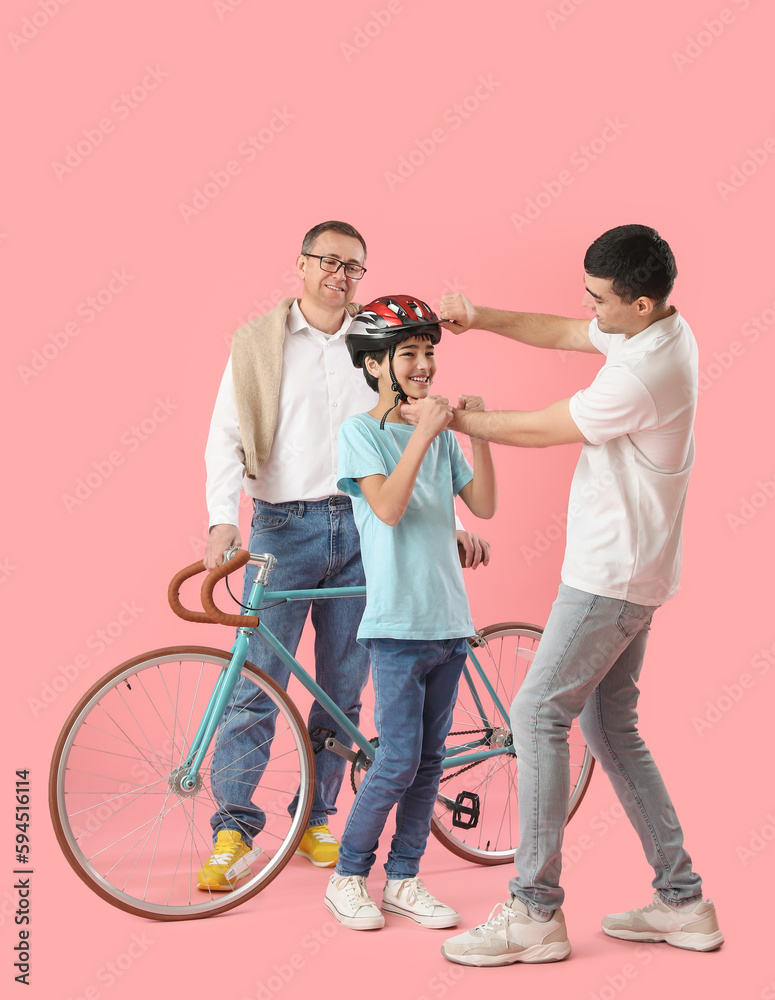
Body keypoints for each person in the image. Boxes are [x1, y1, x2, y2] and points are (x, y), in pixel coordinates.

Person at [432, 225, 724, 965]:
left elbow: (540, 428)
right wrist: (484, 316)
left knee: (535, 713)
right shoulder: (654, 327)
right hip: (633, 571)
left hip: (609, 577)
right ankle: (682, 901)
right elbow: (570, 331)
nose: (586, 309)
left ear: (641, 300)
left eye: (600, 298)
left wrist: (451, 420)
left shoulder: (641, 376)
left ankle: (532, 910)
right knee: (609, 728)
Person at [197, 223, 490, 889]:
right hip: (281, 527)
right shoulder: (256, 345)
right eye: (329, 261)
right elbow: (225, 437)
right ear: (299, 265)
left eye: (354, 266)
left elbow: (414, 433)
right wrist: (221, 520)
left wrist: (447, 523)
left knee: (342, 690)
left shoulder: (376, 345)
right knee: (256, 683)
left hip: (367, 532)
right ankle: (232, 829)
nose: (342, 274)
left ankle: (316, 817)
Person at [322, 295, 497, 931]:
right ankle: (348, 877)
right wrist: (425, 431)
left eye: (429, 352)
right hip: (395, 629)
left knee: (428, 764)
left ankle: (404, 878)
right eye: (409, 354)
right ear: (375, 366)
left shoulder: (440, 437)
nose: (425, 364)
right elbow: (389, 509)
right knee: (396, 760)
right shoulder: (360, 433)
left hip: (448, 624)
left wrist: (474, 437)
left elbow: (484, 505)